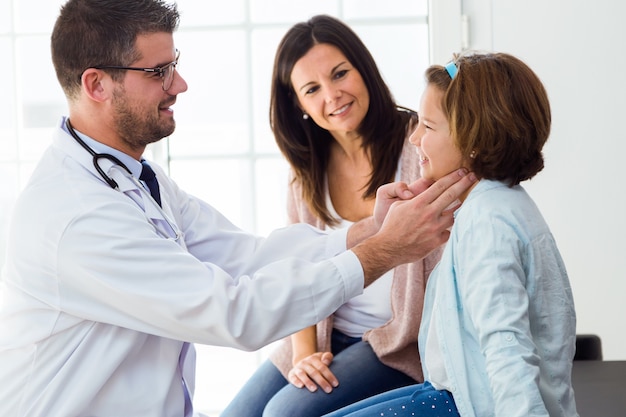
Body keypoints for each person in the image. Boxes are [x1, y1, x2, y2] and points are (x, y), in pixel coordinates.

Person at [0, 1, 477, 416]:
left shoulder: (138, 179)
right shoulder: (78, 214)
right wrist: (386, 249)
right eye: (158, 71)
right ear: (97, 85)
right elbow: (235, 313)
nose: (180, 84)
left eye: (175, 64)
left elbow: (251, 255)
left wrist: (369, 229)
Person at [321, 52, 579, 417]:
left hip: (469, 406)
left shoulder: (488, 222)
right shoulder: (493, 204)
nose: (413, 138)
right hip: (453, 392)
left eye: (427, 126)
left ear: (472, 140)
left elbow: (507, 344)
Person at [221, 15, 441, 417]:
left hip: (392, 343)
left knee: (283, 414)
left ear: (364, 69)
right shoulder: (305, 176)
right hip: (322, 333)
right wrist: (305, 353)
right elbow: (296, 269)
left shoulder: (419, 146)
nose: (333, 95)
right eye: (312, 89)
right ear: (299, 104)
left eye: (340, 74)